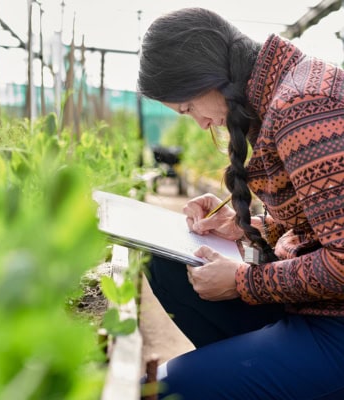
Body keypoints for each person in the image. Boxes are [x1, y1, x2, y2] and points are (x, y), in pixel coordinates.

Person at [138, 7, 344, 400]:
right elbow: (320, 226)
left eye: (188, 108)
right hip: (317, 307)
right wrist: (246, 226)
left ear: (207, 76)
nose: (199, 123)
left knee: (167, 390)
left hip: (335, 325)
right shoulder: (278, 94)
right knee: (164, 262)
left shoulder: (305, 105)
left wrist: (242, 282)